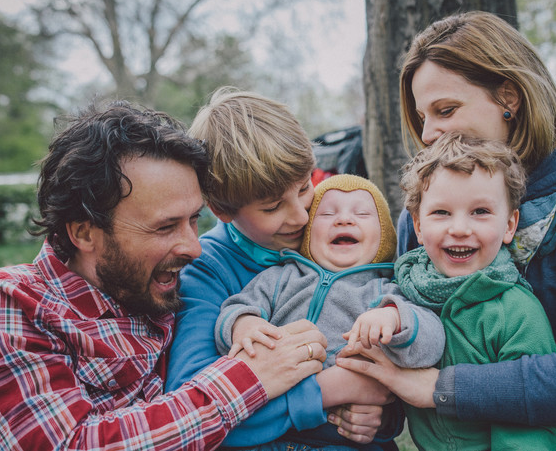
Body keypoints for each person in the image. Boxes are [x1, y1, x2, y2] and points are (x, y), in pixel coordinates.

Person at [0, 101, 328, 451]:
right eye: (165, 227)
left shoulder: (165, 291)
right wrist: (250, 378)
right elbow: (69, 443)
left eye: (194, 220)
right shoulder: (2, 302)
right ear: (84, 232)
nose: (193, 247)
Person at [336, 11, 556, 450]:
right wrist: (373, 410)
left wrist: (438, 389)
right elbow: (398, 353)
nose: (428, 133)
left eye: (445, 110)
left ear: (510, 96)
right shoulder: (420, 221)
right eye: (422, 116)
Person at [165, 88, 399, 450]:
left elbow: (388, 384)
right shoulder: (206, 271)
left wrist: (379, 413)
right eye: (273, 207)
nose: (301, 215)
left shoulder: (339, 235)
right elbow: (193, 411)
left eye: (306, 187)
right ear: (222, 210)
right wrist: (328, 391)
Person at [391, 133, 556, 450]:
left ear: (509, 225)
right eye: (441, 213)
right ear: (417, 225)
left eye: (480, 211)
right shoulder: (406, 291)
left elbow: (529, 422)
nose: (459, 228)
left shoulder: (516, 313)